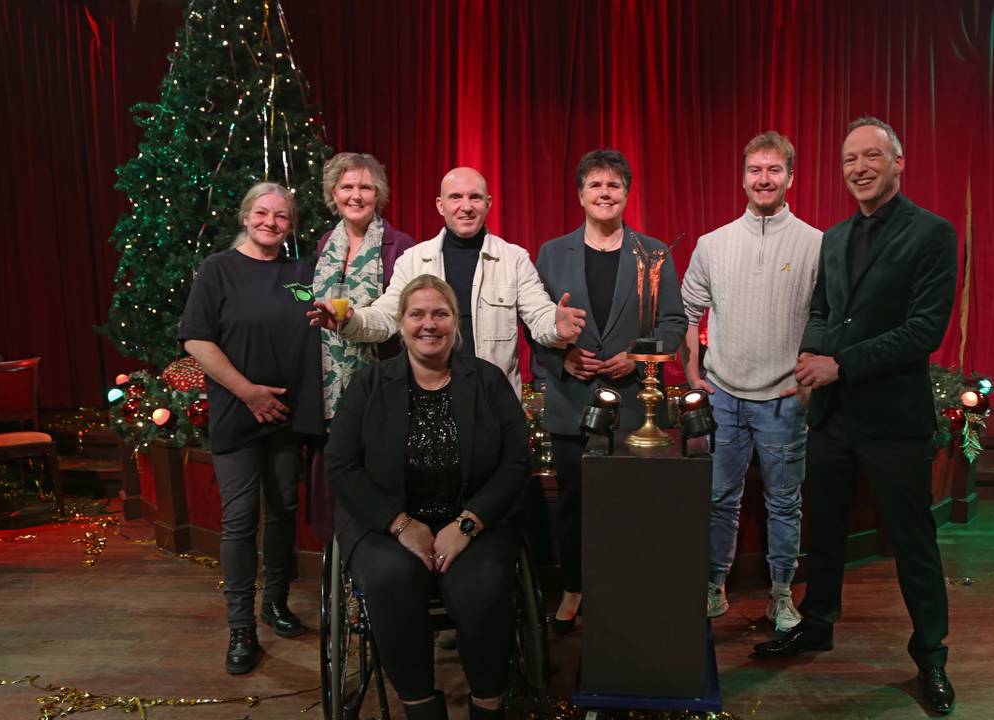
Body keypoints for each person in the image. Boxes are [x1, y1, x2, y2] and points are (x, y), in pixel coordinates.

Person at [751, 117, 959, 715]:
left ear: (898, 162)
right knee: (825, 530)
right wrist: (809, 360)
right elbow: (821, 310)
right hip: (834, 416)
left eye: (872, 156)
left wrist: (839, 364)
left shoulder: (933, 233)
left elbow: (924, 330)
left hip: (893, 418)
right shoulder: (836, 237)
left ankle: (931, 657)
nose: (859, 168)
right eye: (849, 159)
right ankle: (817, 626)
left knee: (913, 542)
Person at [326, 275, 528, 720]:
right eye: (417, 314)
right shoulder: (369, 384)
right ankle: (420, 707)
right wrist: (400, 524)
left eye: (440, 314)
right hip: (385, 523)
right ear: (401, 324)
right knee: (392, 579)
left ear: (455, 323)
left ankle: (488, 705)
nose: (429, 324)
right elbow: (340, 466)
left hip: (472, 520)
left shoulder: (487, 381)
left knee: (483, 585)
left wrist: (469, 523)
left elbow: (516, 463)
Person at [532, 149, 685, 634]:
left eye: (614, 185)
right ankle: (574, 588)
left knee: (632, 504)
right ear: (580, 195)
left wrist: (639, 358)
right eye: (595, 185)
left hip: (636, 406)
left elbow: (674, 322)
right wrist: (563, 359)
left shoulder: (654, 253)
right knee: (574, 504)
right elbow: (534, 323)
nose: (604, 193)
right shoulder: (551, 253)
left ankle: (628, 587)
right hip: (571, 403)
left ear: (627, 194)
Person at [178, 182, 323, 674]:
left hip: (286, 415)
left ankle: (274, 603)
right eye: (261, 213)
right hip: (238, 412)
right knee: (240, 519)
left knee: (283, 511)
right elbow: (197, 340)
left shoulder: (301, 273)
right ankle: (240, 628)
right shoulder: (218, 269)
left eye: (281, 216)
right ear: (245, 217)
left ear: (291, 224)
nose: (270, 222)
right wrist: (248, 392)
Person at [680, 132, 822, 633]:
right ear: (742, 178)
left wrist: (807, 382)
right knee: (720, 497)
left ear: (790, 178)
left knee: (784, 503)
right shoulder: (712, 244)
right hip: (724, 396)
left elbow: (827, 317)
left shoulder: (815, 244)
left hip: (784, 399)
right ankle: (714, 586)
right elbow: (687, 312)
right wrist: (694, 374)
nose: (764, 179)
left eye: (774, 170)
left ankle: (781, 595)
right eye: (755, 170)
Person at [308, 166, 586, 398]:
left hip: (492, 399)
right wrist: (350, 321)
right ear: (440, 206)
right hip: (428, 398)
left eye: (475, 197)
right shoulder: (413, 260)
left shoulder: (514, 259)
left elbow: (538, 315)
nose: (466, 207)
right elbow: (385, 318)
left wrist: (556, 325)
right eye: (456, 197)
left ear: (488, 203)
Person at [309, 153, 417, 542]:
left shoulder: (399, 245)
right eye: (347, 187)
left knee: (376, 474)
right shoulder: (326, 243)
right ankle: (340, 552)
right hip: (328, 382)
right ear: (333, 193)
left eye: (365, 187)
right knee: (339, 471)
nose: (356, 195)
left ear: (378, 194)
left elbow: (400, 319)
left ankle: (377, 550)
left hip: (379, 379)